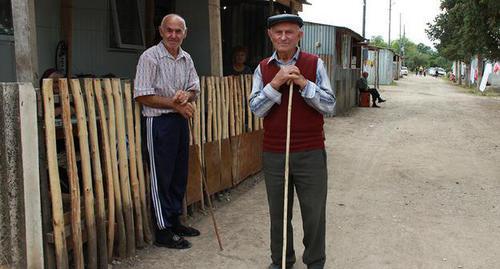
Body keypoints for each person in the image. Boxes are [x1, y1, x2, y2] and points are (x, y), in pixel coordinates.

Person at [249, 14, 335, 269]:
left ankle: (315, 262)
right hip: (275, 153)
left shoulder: (314, 63)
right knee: (279, 213)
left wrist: (302, 83)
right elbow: (256, 109)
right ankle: (282, 261)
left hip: (310, 152)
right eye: (278, 32)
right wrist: (275, 84)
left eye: (289, 31)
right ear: (270, 35)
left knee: (314, 214)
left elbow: (329, 105)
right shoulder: (263, 68)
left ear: (300, 34)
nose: (284, 37)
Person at [134, 14, 200, 249]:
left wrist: (186, 96)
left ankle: (174, 222)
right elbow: (142, 95)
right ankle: (162, 230)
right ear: (161, 31)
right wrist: (173, 103)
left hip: (179, 121)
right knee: (161, 175)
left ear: (185, 33)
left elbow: (194, 89)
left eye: (178, 31)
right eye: (169, 30)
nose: (173, 35)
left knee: (178, 173)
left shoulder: (186, 58)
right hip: (158, 123)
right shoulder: (150, 57)